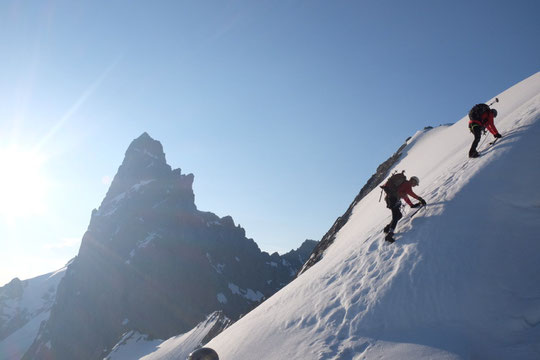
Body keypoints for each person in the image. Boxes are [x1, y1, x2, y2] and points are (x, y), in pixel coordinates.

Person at [381, 174, 426, 243]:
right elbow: (411, 194)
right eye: (415, 183)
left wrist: (412, 205)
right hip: (393, 199)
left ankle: (387, 228)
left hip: (390, 199)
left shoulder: (404, 185)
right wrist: (421, 199)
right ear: (413, 180)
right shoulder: (408, 184)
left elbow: (405, 197)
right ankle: (389, 235)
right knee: (395, 217)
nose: (415, 185)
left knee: (399, 215)